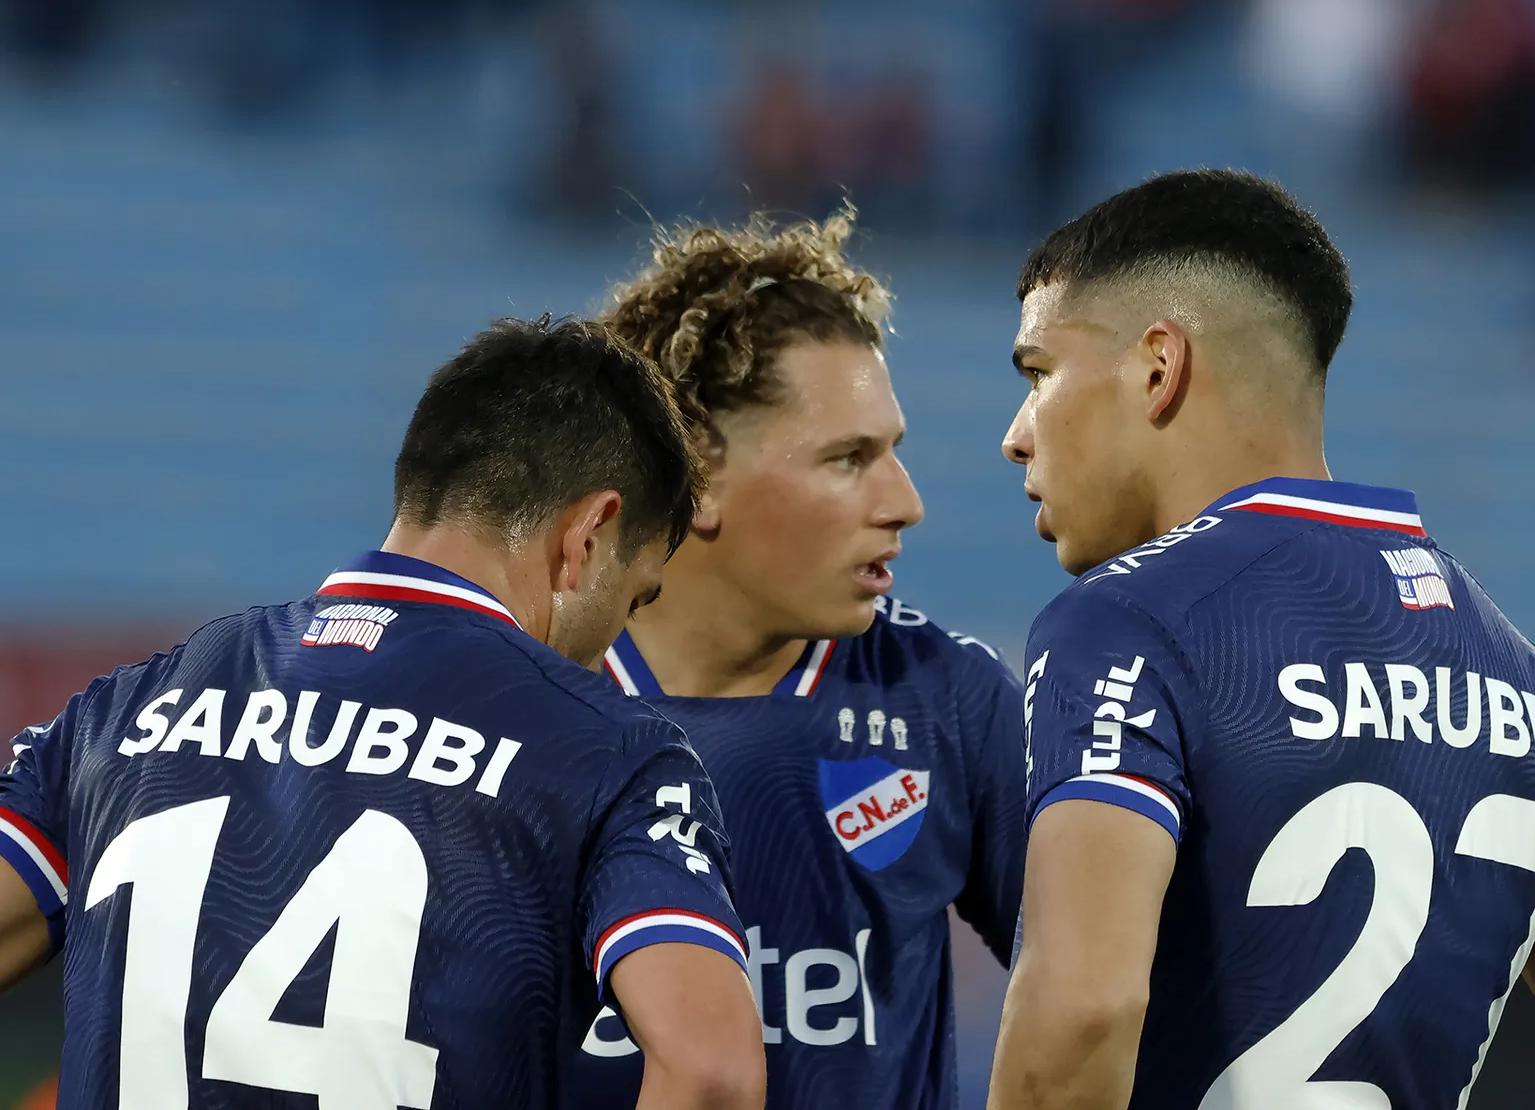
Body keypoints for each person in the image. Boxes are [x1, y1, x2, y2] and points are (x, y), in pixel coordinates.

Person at [0, 316, 766, 1110]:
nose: (610, 649)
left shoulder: (126, 706)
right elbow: (710, 1072)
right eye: (633, 600)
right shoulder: (609, 751)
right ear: (589, 534)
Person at [986, 170, 1535, 1110]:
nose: (1015, 435)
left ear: (1158, 366)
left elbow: (1081, 1015)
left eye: (1038, 374)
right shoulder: (1509, 663)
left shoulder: (1125, 619)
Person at [572, 211, 1028, 1110]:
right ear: (697, 477)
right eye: (848, 458)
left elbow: (1120, 993)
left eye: (892, 451)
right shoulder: (529, 701)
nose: (904, 502)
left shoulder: (947, 700)